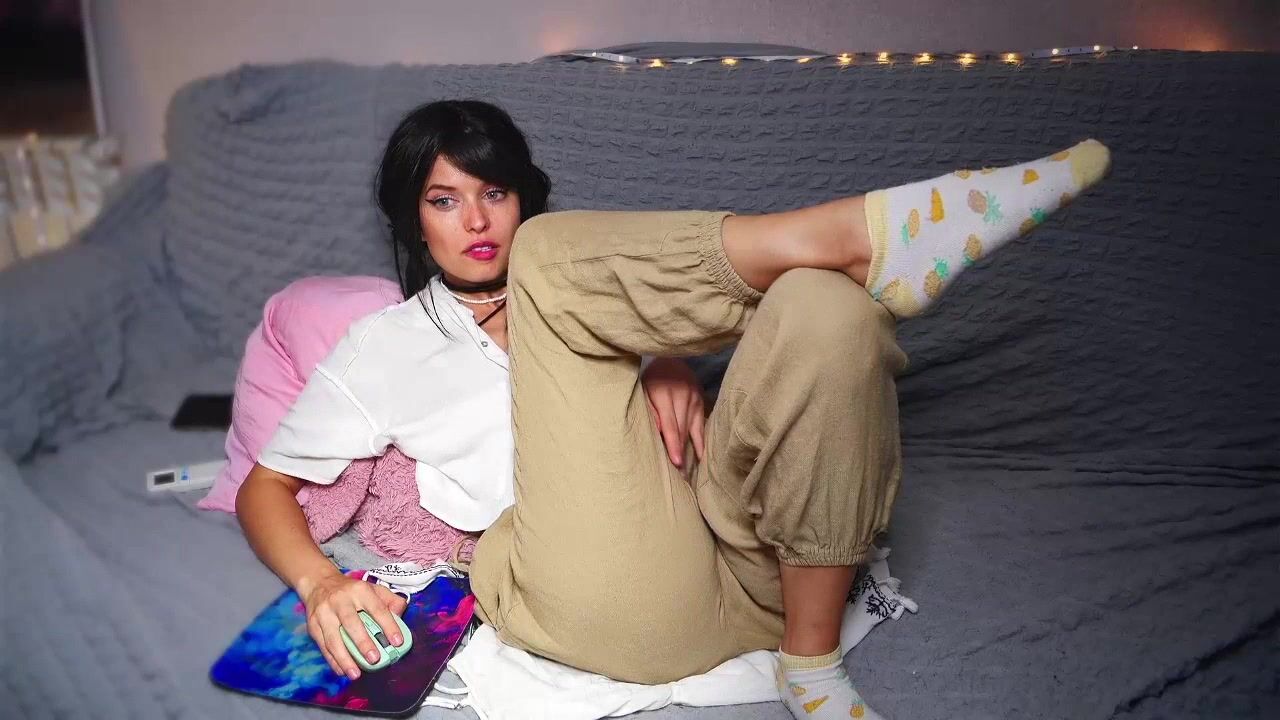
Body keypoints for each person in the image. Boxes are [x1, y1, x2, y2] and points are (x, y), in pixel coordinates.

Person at [236, 99, 1109, 720]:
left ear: (520, 193)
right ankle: (853, 237)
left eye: (494, 193)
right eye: (444, 199)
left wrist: (665, 354)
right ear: (411, 219)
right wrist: (321, 583)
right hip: (609, 592)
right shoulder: (382, 347)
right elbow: (263, 486)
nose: (477, 221)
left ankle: (811, 664)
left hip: (757, 568)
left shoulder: (607, 289)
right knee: (553, 259)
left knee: (826, 309)